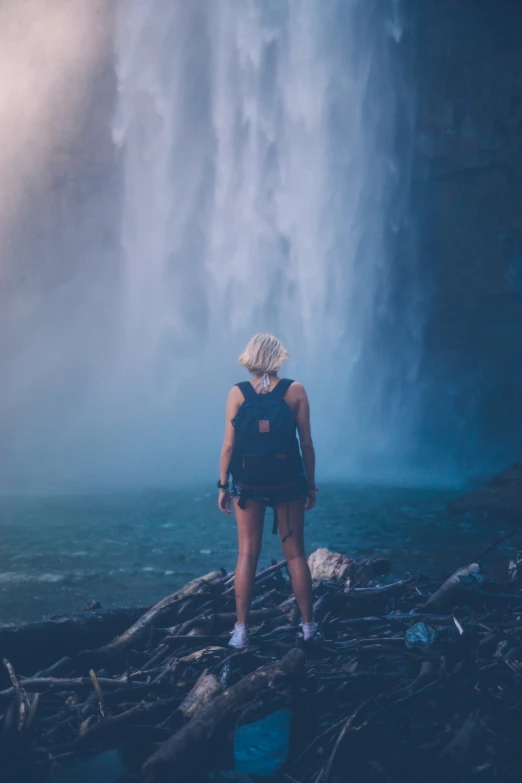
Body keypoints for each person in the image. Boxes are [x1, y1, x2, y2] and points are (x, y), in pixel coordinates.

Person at [217, 332, 319, 648]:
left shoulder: (237, 393)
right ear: (279, 358)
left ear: (250, 358)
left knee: (247, 553)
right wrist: (310, 485)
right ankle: (308, 627)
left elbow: (229, 446)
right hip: (289, 483)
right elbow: (306, 444)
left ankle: (241, 631)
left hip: (247, 484)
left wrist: (223, 486)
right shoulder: (296, 391)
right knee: (296, 554)